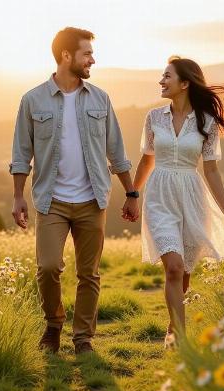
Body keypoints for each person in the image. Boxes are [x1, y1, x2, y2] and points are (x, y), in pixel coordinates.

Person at [9, 27, 139, 356]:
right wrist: (18, 195)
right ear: (66, 56)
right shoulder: (32, 99)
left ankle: (83, 338)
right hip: (51, 200)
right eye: (87, 54)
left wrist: (131, 193)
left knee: (89, 274)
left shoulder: (100, 98)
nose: (92, 59)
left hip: (92, 199)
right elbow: (21, 153)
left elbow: (117, 151)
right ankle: (53, 324)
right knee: (49, 267)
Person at [132, 56, 224, 347]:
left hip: (192, 196)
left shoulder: (206, 122)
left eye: (167, 76)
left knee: (184, 272)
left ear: (184, 83)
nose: (161, 81)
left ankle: (172, 324)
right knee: (173, 267)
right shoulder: (154, 118)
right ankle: (180, 340)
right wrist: (133, 194)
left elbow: (211, 170)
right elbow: (147, 160)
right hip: (159, 195)